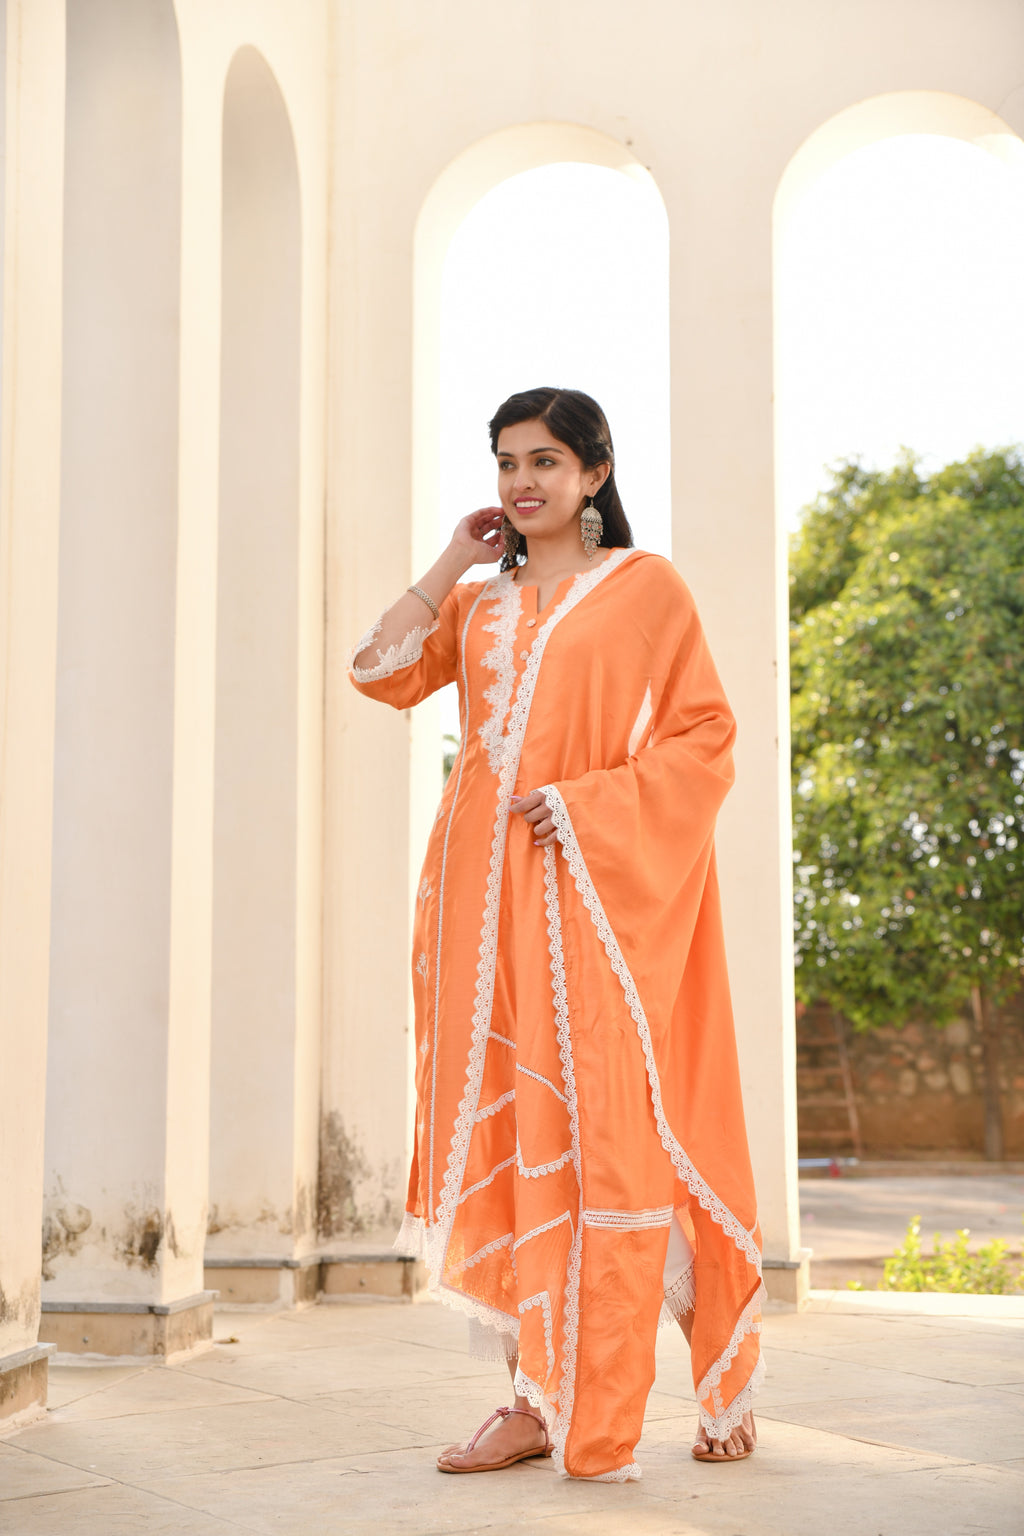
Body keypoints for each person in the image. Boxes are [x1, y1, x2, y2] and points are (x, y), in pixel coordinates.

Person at [349, 387, 763, 1481]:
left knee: (616, 1131)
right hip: (476, 904)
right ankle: (532, 1395)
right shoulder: (479, 605)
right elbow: (376, 670)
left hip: (587, 892)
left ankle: (712, 1366)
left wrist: (585, 806)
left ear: (593, 474)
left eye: (543, 461)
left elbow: (706, 734)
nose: (520, 483)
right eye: (503, 464)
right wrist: (448, 560)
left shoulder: (643, 589)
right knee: (513, 1136)